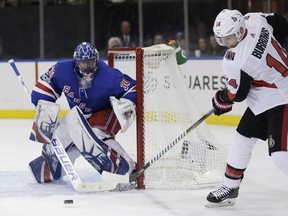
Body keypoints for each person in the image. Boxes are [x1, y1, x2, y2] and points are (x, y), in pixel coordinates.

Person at [205, 9, 288, 207]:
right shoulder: (255, 19)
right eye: (221, 39)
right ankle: (230, 185)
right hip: (266, 95)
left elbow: (238, 95)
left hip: (282, 96)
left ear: (241, 30)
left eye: (229, 38)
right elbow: (280, 22)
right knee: (242, 138)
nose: (225, 43)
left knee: (279, 155)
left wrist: (220, 99)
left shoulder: (237, 60)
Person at [28, 42, 137, 184]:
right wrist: (45, 109)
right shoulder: (62, 69)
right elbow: (44, 86)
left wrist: (128, 103)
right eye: (84, 63)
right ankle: (49, 166)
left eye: (90, 62)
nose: (87, 67)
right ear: (76, 61)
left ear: (96, 60)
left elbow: (133, 88)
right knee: (61, 141)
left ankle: (126, 168)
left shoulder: (109, 76)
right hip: (79, 117)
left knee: (96, 135)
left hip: (104, 114)